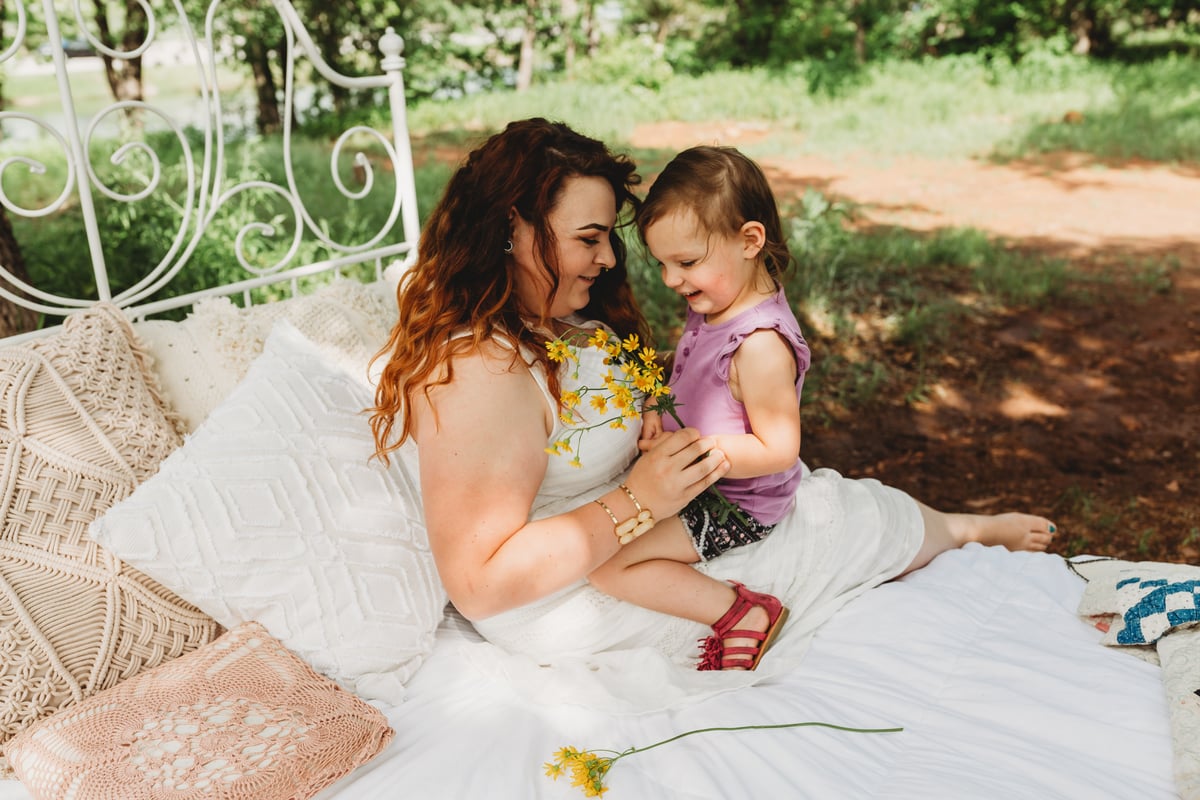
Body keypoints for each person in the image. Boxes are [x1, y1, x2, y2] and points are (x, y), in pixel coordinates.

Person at [369, 118, 1057, 703]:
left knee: (839, 507)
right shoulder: (481, 369)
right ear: (511, 229)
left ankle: (963, 529)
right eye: (588, 239)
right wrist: (637, 499)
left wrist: (647, 418)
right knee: (843, 520)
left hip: (653, 520)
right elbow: (481, 583)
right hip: (573, 591)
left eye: (608, 236)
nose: (610, 259)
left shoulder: (557, 319)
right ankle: (959, 532)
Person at [586, 145, 810, 672]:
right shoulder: (718, 302)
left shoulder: (758, 345)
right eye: (662, 263)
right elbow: (696, 375)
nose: (670, 279)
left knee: (609, 564)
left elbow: (779, 449)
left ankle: (742, 612)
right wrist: (651, 400)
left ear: (749, 240)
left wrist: (695, 452)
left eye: (685, 263)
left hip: (737, 502)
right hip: (701, 481)